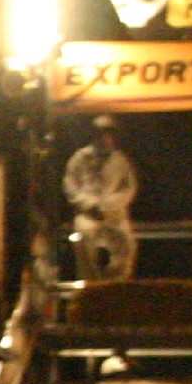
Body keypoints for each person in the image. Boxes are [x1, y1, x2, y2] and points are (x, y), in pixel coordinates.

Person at [62, 115, 140, 282]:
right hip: (88, 212)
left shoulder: (120, 160)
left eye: (108, 133)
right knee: (84, 237)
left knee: (126, 244)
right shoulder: (79, 158)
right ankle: (91, 284)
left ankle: (118, 283)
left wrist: (110, 205)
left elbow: (129, 188)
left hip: (115, 213)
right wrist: (89, 204)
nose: (105, 137)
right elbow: (70, 186)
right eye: (100, 133)